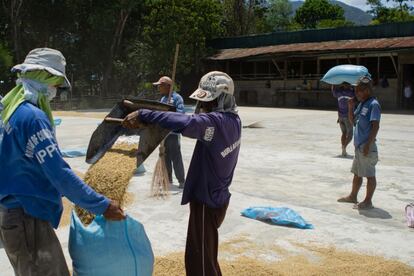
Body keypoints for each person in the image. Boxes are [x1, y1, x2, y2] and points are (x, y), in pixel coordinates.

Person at [0, 48, 125, 276]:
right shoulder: (33, 118)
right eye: (56, 84)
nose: (55, 91)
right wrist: (102, 204)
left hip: (12, 212)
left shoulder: (10, 110)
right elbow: (58, 174)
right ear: (45, 79)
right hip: (27, 217)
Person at [123, 71, 241, 276]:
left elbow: (187, 123)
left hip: (206, 202)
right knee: (206, 255)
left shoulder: (214, 122)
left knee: (200, 263)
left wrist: (144, 114)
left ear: (222, 99)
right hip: (219, 198)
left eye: (208, 102)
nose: (203, 107)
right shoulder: (234, 121)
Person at [337, 76, 381, 210]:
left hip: (367, 146)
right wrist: (350, 107)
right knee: (357, 173)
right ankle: (353, 196)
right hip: (359, 147)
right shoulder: (362, 104)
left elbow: (375, 126)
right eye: (356, 91)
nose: (357, 93)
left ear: (367, 90)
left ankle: (368, 201)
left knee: (369, 174)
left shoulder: (374, 104)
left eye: (359, 91)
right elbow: (353, 121)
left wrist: (368, 144)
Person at [153, 76, 186, 188]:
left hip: (173, 133)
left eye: (160, 85)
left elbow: (181, 114)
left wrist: (169, 115)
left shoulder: (177, 98)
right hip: (163, 134)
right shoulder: (163, 99)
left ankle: (181, 180)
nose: (159, 88)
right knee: (165, 156)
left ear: (168, 86)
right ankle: (168, 179)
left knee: (176, 157)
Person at [332, 82, 355, 156]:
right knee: (350, 135)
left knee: (344, 133)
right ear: (348, 85)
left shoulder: (338, 93)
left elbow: (333, 90)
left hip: (340, 116)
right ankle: (344, 148)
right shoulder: (351, 93)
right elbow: (357, 94)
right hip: (348, 117)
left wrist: (333, 83)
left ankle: (343, 148)